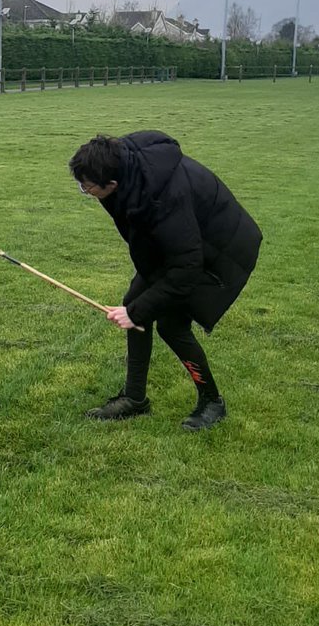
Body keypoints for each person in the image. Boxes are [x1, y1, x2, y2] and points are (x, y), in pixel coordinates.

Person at [68, 131, 261, 430]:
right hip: (183, 243)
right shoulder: (123, 164)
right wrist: (135, 309)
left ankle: (212, 401)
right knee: (135, 304)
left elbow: (186, 267)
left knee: (171, 325)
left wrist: (135, 312)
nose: (85, 191)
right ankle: (134, 399)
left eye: (88, 186)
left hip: (221, 252)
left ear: (113, 184)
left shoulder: (164, 198)